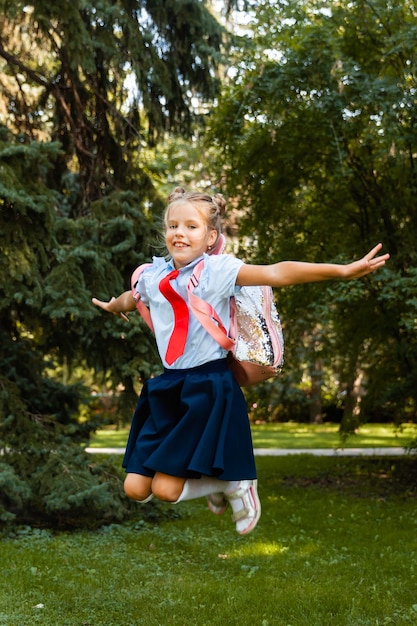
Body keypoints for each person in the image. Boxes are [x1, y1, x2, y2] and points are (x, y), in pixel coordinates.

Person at [92, 187, 389, 535]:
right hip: (168, 387)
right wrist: (115, 306)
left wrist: (340, 271)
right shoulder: (153, 275)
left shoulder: (217, 272)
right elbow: (134, 297)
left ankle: (235, 485)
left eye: (191, 226)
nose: (179, 233)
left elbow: (278, 272)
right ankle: (217, 483)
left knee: (165, 490)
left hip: (207, 387)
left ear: (210, 236)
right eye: (173, 226)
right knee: (135, 489)